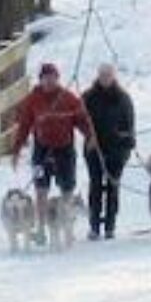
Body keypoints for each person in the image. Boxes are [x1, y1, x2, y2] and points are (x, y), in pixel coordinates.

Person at [9, 61, 98, 245]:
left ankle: (67, 228)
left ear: (58, 79)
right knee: (41, 189)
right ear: (40, 80)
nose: (49, 82)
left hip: (64, 149)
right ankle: (41, 228)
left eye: (53, 78)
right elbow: (24, 125)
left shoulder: (68, 98)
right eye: (45, 78)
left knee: (67, 189)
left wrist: (90, 136)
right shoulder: (33, 99)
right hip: (42, 150)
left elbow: (82, 119)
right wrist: (17, 149)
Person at [82, 62, 136, 240]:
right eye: (102, 75)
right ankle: (94, 225)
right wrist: (89, 136)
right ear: (98, 76)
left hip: (116, 149)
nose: (105, 78)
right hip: (94, 148)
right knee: (95, 185)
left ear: (113, 77)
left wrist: (127, 144)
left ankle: (110, 225)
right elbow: (80, 119)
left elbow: (129, 125)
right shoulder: (88, 97)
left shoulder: (123, 99)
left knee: (113, 186)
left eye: (108, 75)